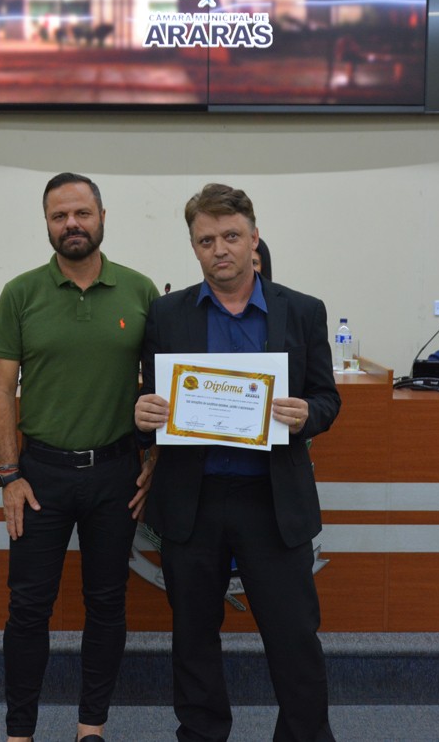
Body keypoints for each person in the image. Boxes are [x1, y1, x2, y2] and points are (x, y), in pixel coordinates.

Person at [134, 183, 341, 742]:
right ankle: (202, 734)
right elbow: (148, 397)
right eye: (206, 240)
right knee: (193, 638)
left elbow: (327, 398)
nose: (219, 249)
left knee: (294, 638)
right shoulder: (167, 313)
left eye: (230, 236)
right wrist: (143, 411)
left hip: (271, 502)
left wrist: (309, 413)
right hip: (193, 499)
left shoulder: (302, 310)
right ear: (194, 247)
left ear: (254, 239)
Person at [0, 173, 159, 742]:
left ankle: (91, 728)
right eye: (59, 216)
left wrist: (155, 458)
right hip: (39, 477)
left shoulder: (140, 291)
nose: (72, 224)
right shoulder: (20, 294)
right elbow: (0, 391)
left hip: (115, 473)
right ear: (47, 223)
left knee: (107, 605)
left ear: (102, 216)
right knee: (28, 609)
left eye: (82, 213)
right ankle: (19, 732)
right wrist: (9, 475)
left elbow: (164, 386)